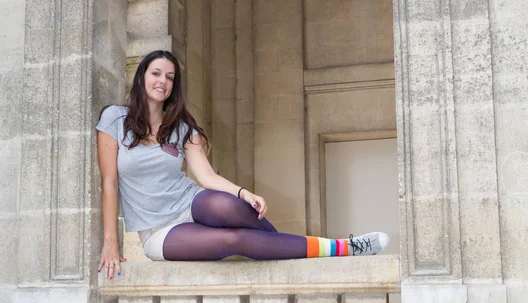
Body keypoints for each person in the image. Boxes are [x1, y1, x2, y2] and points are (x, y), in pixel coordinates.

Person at [96, 50, 389, 279]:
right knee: (235, 240)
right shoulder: (115, 120)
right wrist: (111, 241)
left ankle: (336, 247)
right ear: (142, 77)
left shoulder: (181, 127)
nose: (162, 81)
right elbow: (109, 183)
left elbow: (207, 177)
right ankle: (335, 248)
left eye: (170, 77)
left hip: (188, 202)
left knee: (232, 206)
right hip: (158, 230)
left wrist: (243, 193)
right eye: (156, 73)